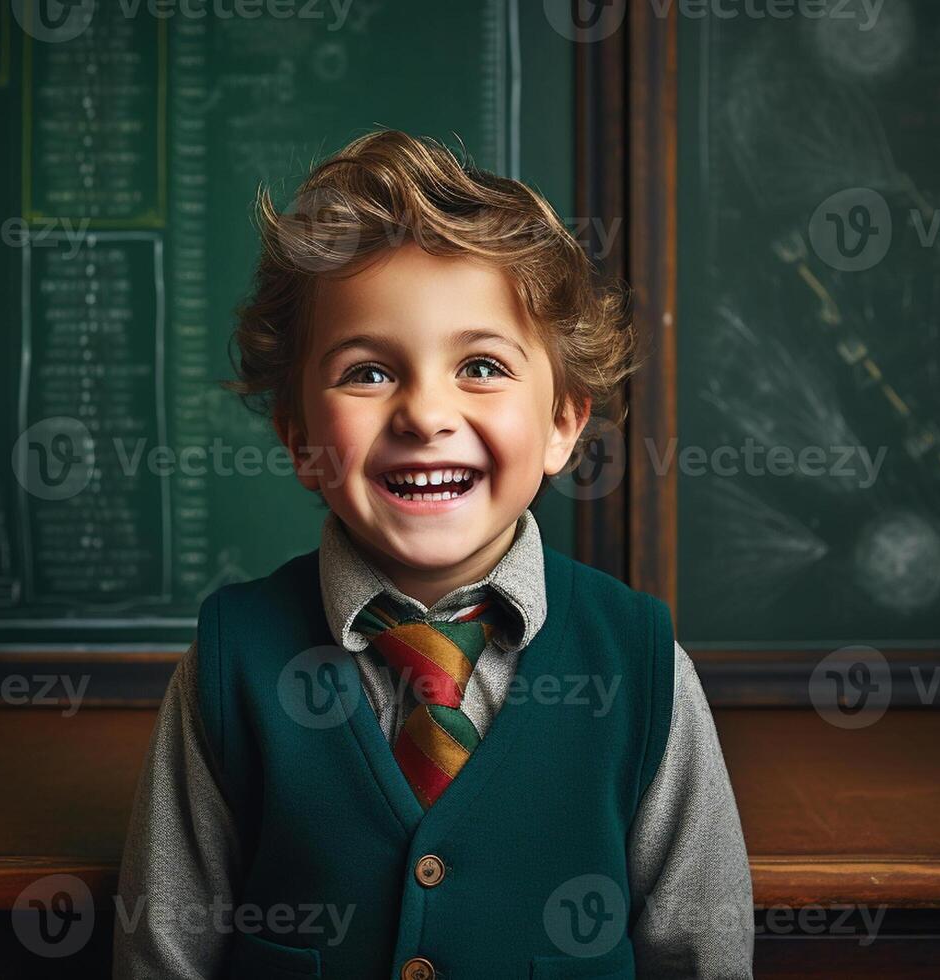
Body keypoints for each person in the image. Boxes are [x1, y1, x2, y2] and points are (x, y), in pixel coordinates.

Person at [114, 129, 753, 979]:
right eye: (369, 374)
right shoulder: (228, 666)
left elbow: (702, 960)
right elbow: (162, 959)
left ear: (564, 422)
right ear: (301, 438)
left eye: (482, 366)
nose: (424, 414)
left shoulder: (643, 670)